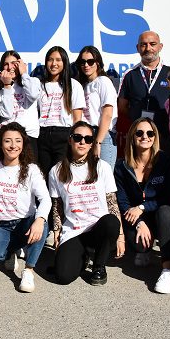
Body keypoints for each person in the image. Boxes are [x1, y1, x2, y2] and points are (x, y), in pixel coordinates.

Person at [49, 121, 123, 286]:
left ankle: (99, 267)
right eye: (78, 137)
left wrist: (121, 236)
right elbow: (57, 205)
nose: (82, 142)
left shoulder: (102, 167)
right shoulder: (56, 170)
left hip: (99, 228)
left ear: (92, 144)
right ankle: (83, 257)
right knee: (63, 277)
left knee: (111, 222)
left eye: (88, 139)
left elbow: (112, 202)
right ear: (70, 140)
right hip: (74, 230)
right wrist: (57, 231)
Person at [0, 123, 51, 293]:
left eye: (17, 141)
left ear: (23, 144)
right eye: (8, 141)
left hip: (26, 222)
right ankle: (12, 250)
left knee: (42, 223)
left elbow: (46, 200)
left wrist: (40, 220)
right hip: (4, 225)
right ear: (0, 144)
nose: (13, 146)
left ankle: (28, 270)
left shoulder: (31, 169)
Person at [114, 118, 170, 294]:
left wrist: (142, 208)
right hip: (136, 217)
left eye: (150, 133)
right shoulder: (121, 166)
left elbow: (169, 197)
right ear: (132, 137)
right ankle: (145, 249)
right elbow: (122, 201)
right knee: (141, 246)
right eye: (139, 133)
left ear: (155, 137)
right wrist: (139, 223)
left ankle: (168, 268)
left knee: (166, 212)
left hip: (161, 213)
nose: (145, 137)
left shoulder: (167, 161)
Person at [117, 31, 170, 155]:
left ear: (160, 46)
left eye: (152, 44)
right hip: (139, 137)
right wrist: (137, 117)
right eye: (143, 45)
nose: (148, 48)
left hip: (166, 135)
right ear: (138, 48)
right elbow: (122, 106)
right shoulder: (130, 74)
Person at [37, 46, 85, 177]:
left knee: (60, 176)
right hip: (42, 134)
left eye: (58, 60)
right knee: (44, 176)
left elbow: (77, 119)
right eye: (50, 60)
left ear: (65, 62)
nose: (54, 64)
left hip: (64, 135)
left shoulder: (73, 85)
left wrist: (75, 139)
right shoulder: (39, 85)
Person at [0, 50, 42, 162]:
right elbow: (6, 113)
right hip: (7, 137)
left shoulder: (33, 81)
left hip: (28, 137)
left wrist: (24, 74)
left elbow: (33, 95)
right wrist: (6, 86)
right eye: (6, 64)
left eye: (14, 63)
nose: (10, 67)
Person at [76, 46, 118, 168]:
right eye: (82, 62)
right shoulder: (83, 85)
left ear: (98, 63)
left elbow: (108, 113)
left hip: (102, 135)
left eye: (90, 61)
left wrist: (98, 142)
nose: (86, 65)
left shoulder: (103, 81)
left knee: (104, 178)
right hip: (86, 135)